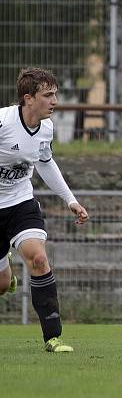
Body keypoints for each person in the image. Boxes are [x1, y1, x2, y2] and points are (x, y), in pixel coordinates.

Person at [0, 68, 90, 352]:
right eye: (48, 95)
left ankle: (53, 337)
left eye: (55, 94)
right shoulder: (3, 122)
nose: (54, 101)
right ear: (28, 98)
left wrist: (70, 200)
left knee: (38, 258)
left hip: (20, 203)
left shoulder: (46, 128)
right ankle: (7, 275)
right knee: (1, 285)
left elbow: (45, 162)